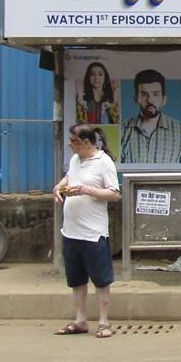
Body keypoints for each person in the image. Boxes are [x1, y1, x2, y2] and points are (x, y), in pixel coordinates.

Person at [53, 124, 121, 339]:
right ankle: (80, 319)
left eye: (73, 140)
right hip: (71, 231)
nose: (69, 144)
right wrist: (59, 187)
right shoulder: (75, 160)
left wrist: (87, 190)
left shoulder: (104, 162)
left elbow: (114, 194)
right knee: (76, 279)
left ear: (85, 142)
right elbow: (69, 177)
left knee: (101, 279)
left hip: (93, 232)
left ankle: (103, 321)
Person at [120, 69, 181, 164]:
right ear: (136, 99)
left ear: (164, 99)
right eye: (144, 94)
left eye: (155, 94)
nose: (150, 100)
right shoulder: (122, 131)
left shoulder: (180, 131)